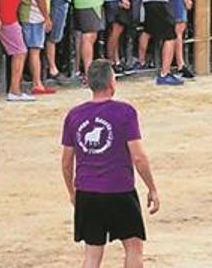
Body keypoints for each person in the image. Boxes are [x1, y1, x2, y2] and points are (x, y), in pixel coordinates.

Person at [61, 59, 159, 268]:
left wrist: (72, 191)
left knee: (92, 254)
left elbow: (67, 161)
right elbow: (139, 157)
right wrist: (152, 188)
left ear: (88, 84)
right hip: (119, 190)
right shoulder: (125, 112)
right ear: (111, 83)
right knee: (133, 247)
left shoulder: (74, 115)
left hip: (87, 191)